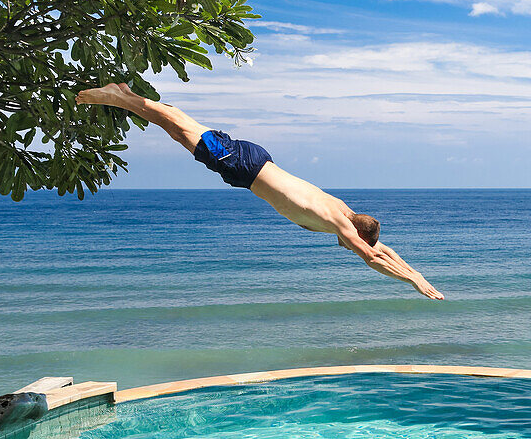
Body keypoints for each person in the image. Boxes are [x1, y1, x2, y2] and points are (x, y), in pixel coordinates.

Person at [75, 83, 443, 300]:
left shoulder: (345, 213)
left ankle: (127, 94)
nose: (348, 247)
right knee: (180, 130)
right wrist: (412, 281)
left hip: (254, 161)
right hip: (245, 167)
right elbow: (373, 258)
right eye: (354, 242)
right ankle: (117, 98)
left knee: (184, 128)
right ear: (357, 234)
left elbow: (382, 249)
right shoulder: (340, 222)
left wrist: (418, 271)